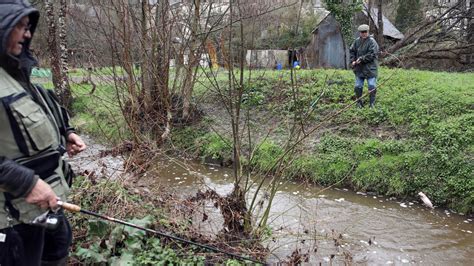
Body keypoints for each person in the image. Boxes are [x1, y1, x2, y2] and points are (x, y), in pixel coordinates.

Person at [0, 0, 86, 265]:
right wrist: (26, 183)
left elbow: (43, 105)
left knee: (57, 251)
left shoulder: (20, 71)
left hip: (47, 204)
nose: (27, 34)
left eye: (29, 27)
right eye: (20, 26)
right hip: (12, 220)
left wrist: (65, 131)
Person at [349, 24, 379, 108]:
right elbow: (352, 51)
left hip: (371, 69)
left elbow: (372, 54)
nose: (363, 33)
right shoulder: (356, 41)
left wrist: (361, 59)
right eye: (362, 32)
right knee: (358, 86)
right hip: (359, 69)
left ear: (368, 32)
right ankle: (359, 102)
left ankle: (372, 104)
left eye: (365, 32)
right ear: (359, 33)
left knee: (372, 86)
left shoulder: (372, 42)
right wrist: (353, 60)